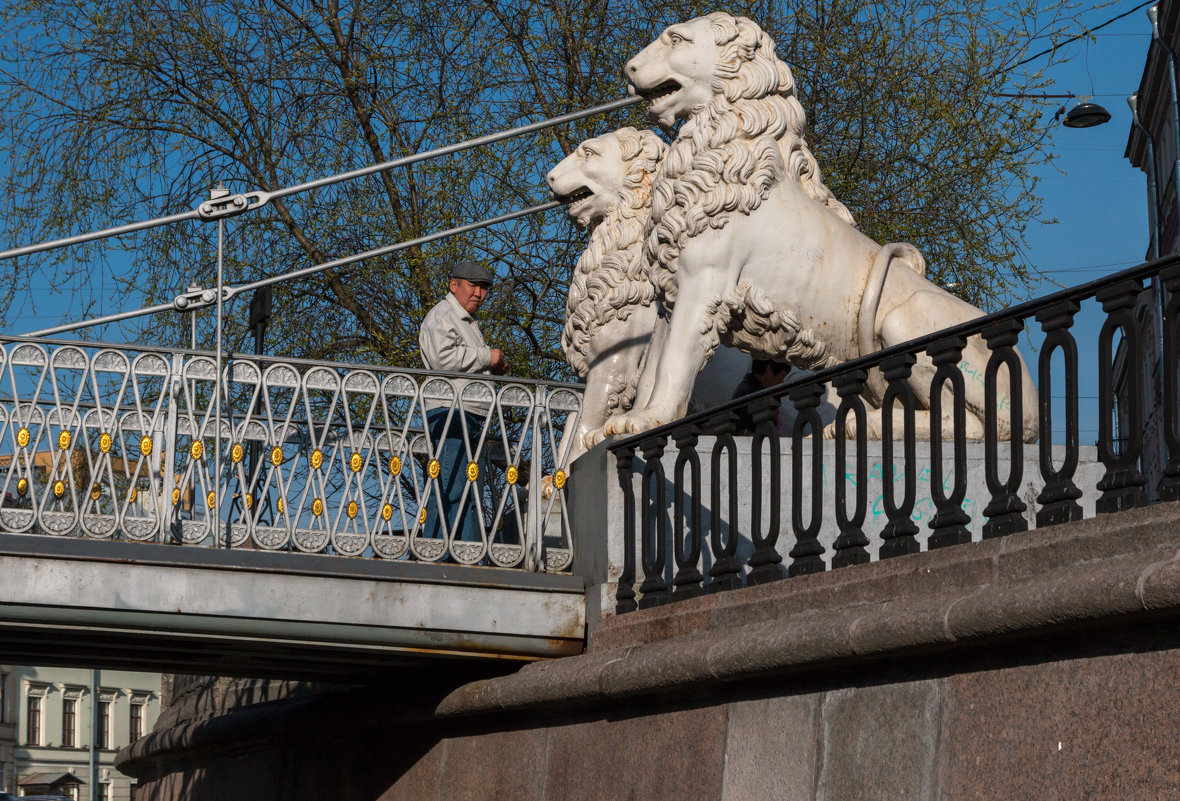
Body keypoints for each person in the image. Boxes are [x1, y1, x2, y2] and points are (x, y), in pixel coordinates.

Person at [418, 260, 508, 546]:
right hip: (450, 413)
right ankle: (437, 557)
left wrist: (491, 369)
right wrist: (487, 357)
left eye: (484, 289)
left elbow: (460, 360)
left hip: (468, 414)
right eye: (473, 286)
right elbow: (443, 359)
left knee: (469, 491)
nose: (479, 294)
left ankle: (466, 555)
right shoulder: (443, 315)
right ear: (453, 285)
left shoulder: (464, 321)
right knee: (450, 487)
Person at [731, 358, 791, 435]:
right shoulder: (753, 394)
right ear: (769, 368)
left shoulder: (746, 388)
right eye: (782, 376)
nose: (782, 382)